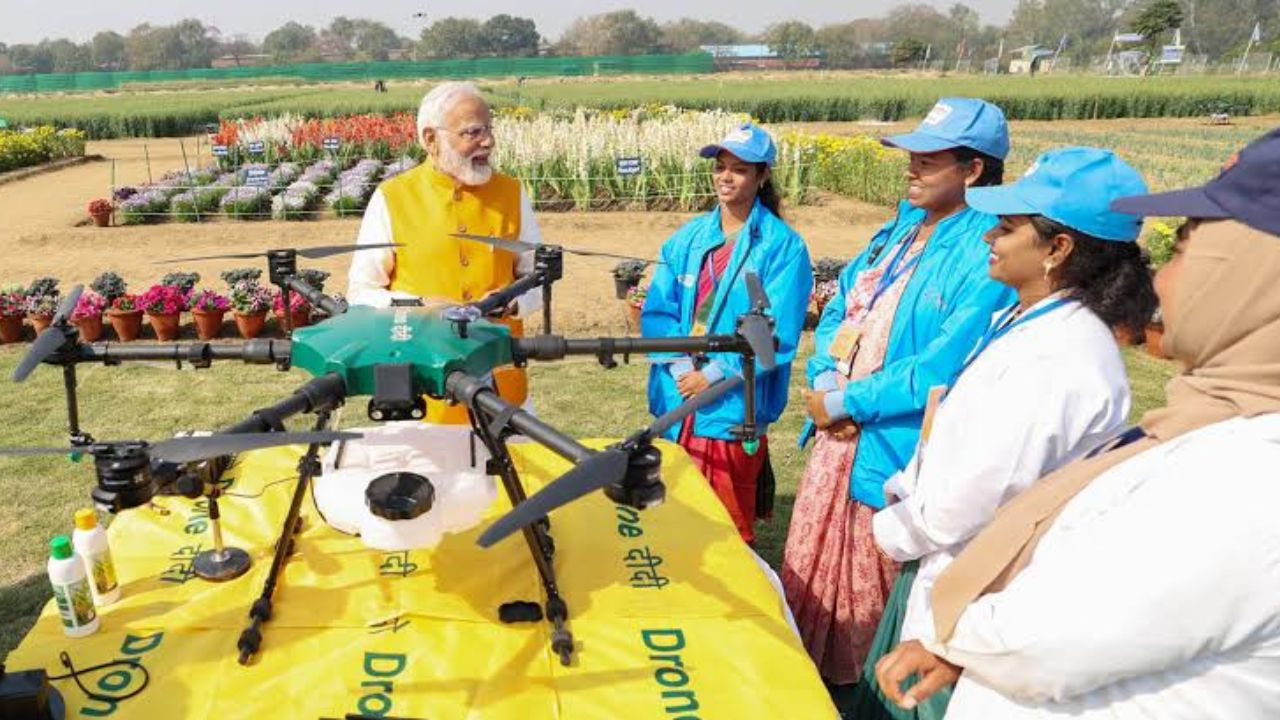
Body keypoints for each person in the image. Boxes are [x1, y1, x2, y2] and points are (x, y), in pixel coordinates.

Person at [875, 127, 1280, 718]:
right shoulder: (1208, 427)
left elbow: (1051, 640)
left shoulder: (1245, 479)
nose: (1161, 279)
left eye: (1187, 249)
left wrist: (953, 634)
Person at [854, 147, 1158, 719]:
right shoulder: (1025, 322)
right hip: (947, 572)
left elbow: (975, 492)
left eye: (1009, 226)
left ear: (1057, 249)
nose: (989, 235)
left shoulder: (1059, 358)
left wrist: (893, 529)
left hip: (972, 593)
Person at [781, 97, 1016, 686]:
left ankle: (867, 692)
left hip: (890, 446)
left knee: (871, 592)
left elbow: (942, 362)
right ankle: (804, 681)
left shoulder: (986, 250)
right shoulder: (900, 228)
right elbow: (841, 305)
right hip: (839, 437)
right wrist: (826, 377)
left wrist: (847, 402)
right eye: (910, 158)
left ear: (974, 170)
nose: (910, 170)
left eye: (928, 160)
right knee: (812, 574)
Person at [641, 122, 813, 544]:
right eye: (720, 167)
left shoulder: (782, 246)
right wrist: (683, 366)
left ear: (762, 175)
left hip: (731, 410)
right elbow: (658, 309)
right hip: (677, 399)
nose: (725, 177)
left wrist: (713, 376)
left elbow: (775, 335)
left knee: (723, 531)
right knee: (671, 520)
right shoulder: (689, 238)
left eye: (739, 169)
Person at [347, 81, 542, 424]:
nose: (488, 142)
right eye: (472, 132)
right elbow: (361, 293)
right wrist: (421, 306)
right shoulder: (392, 198)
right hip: (417, 393)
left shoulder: (512, 192)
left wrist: (511, 301)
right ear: (430, 139)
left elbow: (538, 276)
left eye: (489, 129)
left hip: (502, 390)